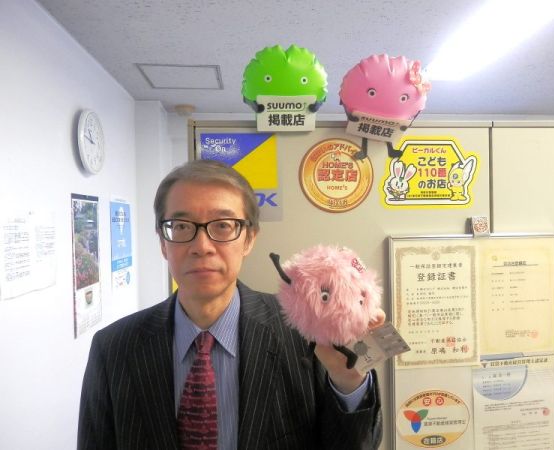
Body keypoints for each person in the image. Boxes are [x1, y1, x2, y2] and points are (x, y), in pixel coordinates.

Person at [77, 159, 383, 450]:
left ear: (249, 239)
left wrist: (347, 382)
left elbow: (353, 444)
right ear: (162, 242)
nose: (202, 247)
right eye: (181, 226)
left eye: (223, 226)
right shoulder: (113, 348)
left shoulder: (303, 332)